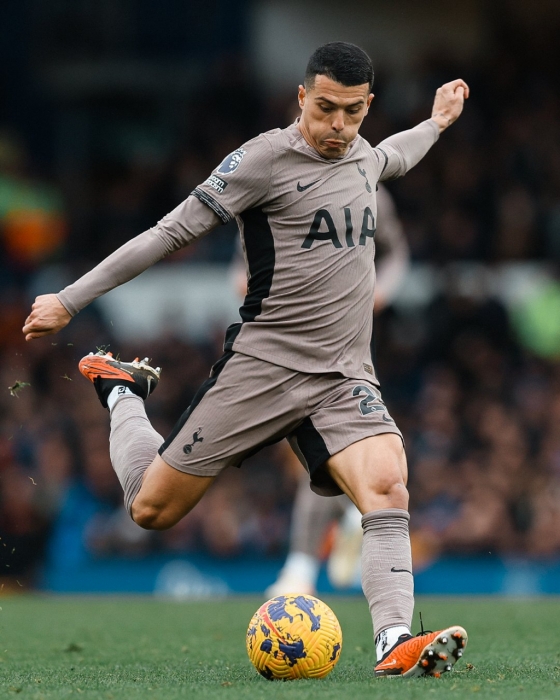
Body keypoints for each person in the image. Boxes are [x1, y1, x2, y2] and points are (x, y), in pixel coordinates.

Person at [23, 42, 469, 678]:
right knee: (151, 509)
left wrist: (437, 122)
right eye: (324, 108)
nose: (338, 125)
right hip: (262, 370)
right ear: (301, 97)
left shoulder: (364, 155)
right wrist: (70, 299)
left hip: (343, 376)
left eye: (352, 112)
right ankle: (122, 392)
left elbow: (398, 154)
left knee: (387, 486)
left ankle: (394, 639)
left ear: (368, 106)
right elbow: (168, 232)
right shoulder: (261, 160)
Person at [263, 183, 410, 597]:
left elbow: (396, 251)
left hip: (343, 341)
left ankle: (299, 570)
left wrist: (382, 290)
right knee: (312, 455)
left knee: (321, 451)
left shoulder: (368, 187)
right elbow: (247, 255)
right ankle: (351, 512)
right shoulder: (273, 179)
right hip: (282, 337)